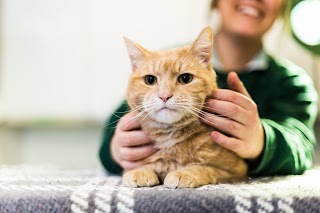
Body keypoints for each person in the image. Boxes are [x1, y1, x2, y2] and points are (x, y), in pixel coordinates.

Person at [99, 0, 318, 176]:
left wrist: (262, 139)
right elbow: (115, 127)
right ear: (214, 2)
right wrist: (116, 149)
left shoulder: (291, 81)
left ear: (284, 7)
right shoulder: (164, 59)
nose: (165, 92)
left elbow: (302, 146)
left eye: (184, 78)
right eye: (151, 81)